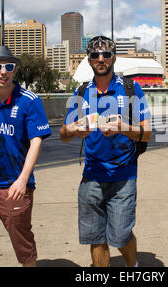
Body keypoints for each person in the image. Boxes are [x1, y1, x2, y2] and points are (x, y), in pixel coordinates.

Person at [59, 36, 152, 267]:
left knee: (120, 234)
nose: (101, 59)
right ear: (89, 61)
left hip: (124, 175)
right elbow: (62, 134)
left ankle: (133, 266)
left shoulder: (131, 89)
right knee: (96, 236)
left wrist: (124, 128)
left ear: (114, 58)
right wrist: (72, 129)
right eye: (95, 55)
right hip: (92, 175)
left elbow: (147, 133)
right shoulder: (81, 93)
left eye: (106, 54)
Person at [0, 46, 52, 267]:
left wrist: (23, 180)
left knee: (23, 246)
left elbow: (36, 141)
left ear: (14, 70)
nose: (3, 72)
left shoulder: (29, 101)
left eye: (8, 66)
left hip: (14, 188)